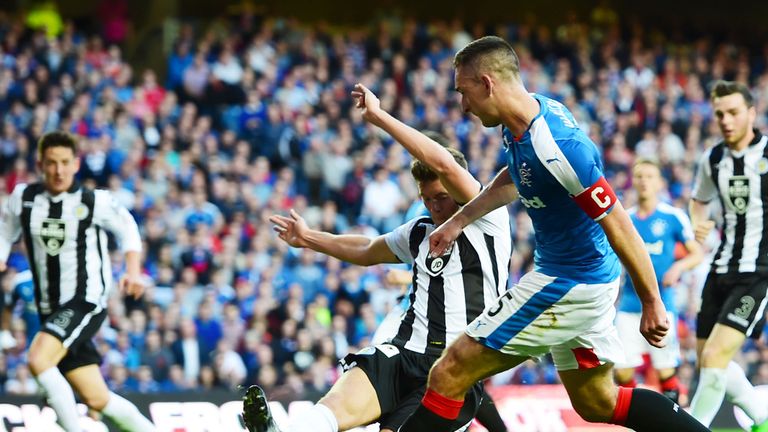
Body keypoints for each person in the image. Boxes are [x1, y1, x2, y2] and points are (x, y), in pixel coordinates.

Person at [397, 36, 709, 432]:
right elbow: (515, 178)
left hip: (569, 282)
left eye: (464, 92)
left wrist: (652, 301)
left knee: (450, 371)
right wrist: (458, 221)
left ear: (488, 84)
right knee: (599, 403)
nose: (463, 105)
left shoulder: (559, 145)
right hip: (583, 279)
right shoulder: (525, 121)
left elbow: (619, 224)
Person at [242, 84, 513, 432]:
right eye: (427, 199)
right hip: (402, 350)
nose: (434, 206)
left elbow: (444, 163)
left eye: (441, 197)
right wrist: (309, 238)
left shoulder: (487, 217)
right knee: (333, 406)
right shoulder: (419, 230)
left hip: (453, 368)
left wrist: (379, 117)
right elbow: (368, 250)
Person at [0, 131, 156, 432]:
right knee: (97, 398)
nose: (58, 170)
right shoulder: (24, 198)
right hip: (51, 307)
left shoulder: (93, 201)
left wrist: (133, 270)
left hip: (85, 299)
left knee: (38, 359)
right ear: (40, 164)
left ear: (76, 164)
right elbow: (5, 231)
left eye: (64, 163)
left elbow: (128, 228)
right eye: (51, 163)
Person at [687, 80, 768, 431]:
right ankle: (763, 417)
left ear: (751, 113)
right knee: (708, 360)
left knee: (717, 355)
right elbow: (698, 200)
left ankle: (692, 427)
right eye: (719, 114)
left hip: (759, 272)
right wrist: (698, 224)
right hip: (720, 268)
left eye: (733, 112)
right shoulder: (714, 158)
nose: (726, 120)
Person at [614, 158, 703, 403]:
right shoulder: (624, 219)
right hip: (629, 304)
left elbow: (696, 253)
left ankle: (673, 420)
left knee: (665, 370)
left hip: (663, 304)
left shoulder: (673, 217)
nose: (644, 182)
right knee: (622, 371)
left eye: (650, 177)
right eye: (640, 176)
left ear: (660, 183)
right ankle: (639, 419)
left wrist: (677, 267)